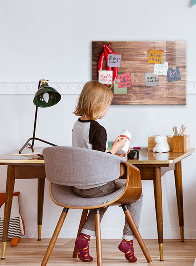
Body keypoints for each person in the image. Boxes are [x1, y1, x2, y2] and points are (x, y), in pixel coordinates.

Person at [72, 81, 142, 263]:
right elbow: (99, 161)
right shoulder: (98, 129)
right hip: (95, 186)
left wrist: (111, 149)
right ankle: (128, 240)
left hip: (78, 186)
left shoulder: (77, 125)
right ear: (99, 105)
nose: (108, 109)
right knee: (137, 194)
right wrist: (116, 149)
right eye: (108, 105)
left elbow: (89, 154)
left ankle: (84, 238)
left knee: (103, 198)